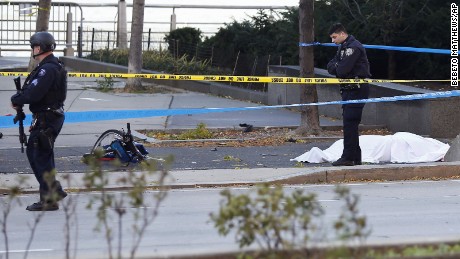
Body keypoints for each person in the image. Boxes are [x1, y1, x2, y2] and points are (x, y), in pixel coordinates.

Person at [11, 31, 68, 211]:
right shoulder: (52, 65)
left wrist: (17, 99)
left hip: (47, 117)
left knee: (38, 155)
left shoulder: (47, 69)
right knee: (43, 155)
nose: (32, 50)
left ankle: (51, 196)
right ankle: (52, 194)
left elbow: (34, 92)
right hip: (50, 116)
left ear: (39, 47)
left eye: (34, 46)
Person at [326, 23, 371, 166]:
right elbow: (330, 66)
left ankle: (348, 157)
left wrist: (337, 66)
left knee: (350, 123)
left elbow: (342, 70)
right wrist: (337, 66)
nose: (332, 41)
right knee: (350, 124)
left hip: (356, 89)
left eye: (334, 37)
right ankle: (355, 157)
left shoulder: (353, 47)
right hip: (348, 89)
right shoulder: (343, 47)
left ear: (342, 33)